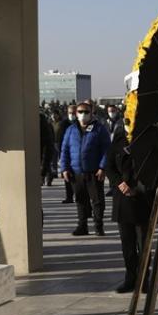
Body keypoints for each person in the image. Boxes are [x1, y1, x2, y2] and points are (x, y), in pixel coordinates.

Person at [105, 120, 153, 293]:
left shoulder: (147, 139)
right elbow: (109, 167)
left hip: (142, 198)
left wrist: (137, 187)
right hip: (123, 199)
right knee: (128, 245)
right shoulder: (118, 141)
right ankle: (130, 278)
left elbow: (153, 169)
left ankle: (144, 279)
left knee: (143, 243)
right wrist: (119, 183)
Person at [60, 101, 112, 236]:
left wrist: (102, 167)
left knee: (97, 201)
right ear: (76, 114)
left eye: (86, 112)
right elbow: (65, 150)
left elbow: (107, 150)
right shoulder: (71, 130)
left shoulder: (99, 129)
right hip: (76, 172)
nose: (83, 114)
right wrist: (64, 168)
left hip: (94, 172)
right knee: (80, 200)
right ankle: (82, 226)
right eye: (80, 112)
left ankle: (98, 226)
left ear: (91, 113)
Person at [55, 106, 76, 203]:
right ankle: (69, 196)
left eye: (73, 113)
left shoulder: (80, 124)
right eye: (70, 113)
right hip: (67, 154)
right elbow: (59, 140)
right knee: (67, 176)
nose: (72, 115)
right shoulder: (63, 124)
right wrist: (62, 153)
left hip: (77, 155)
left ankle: (79, 196)